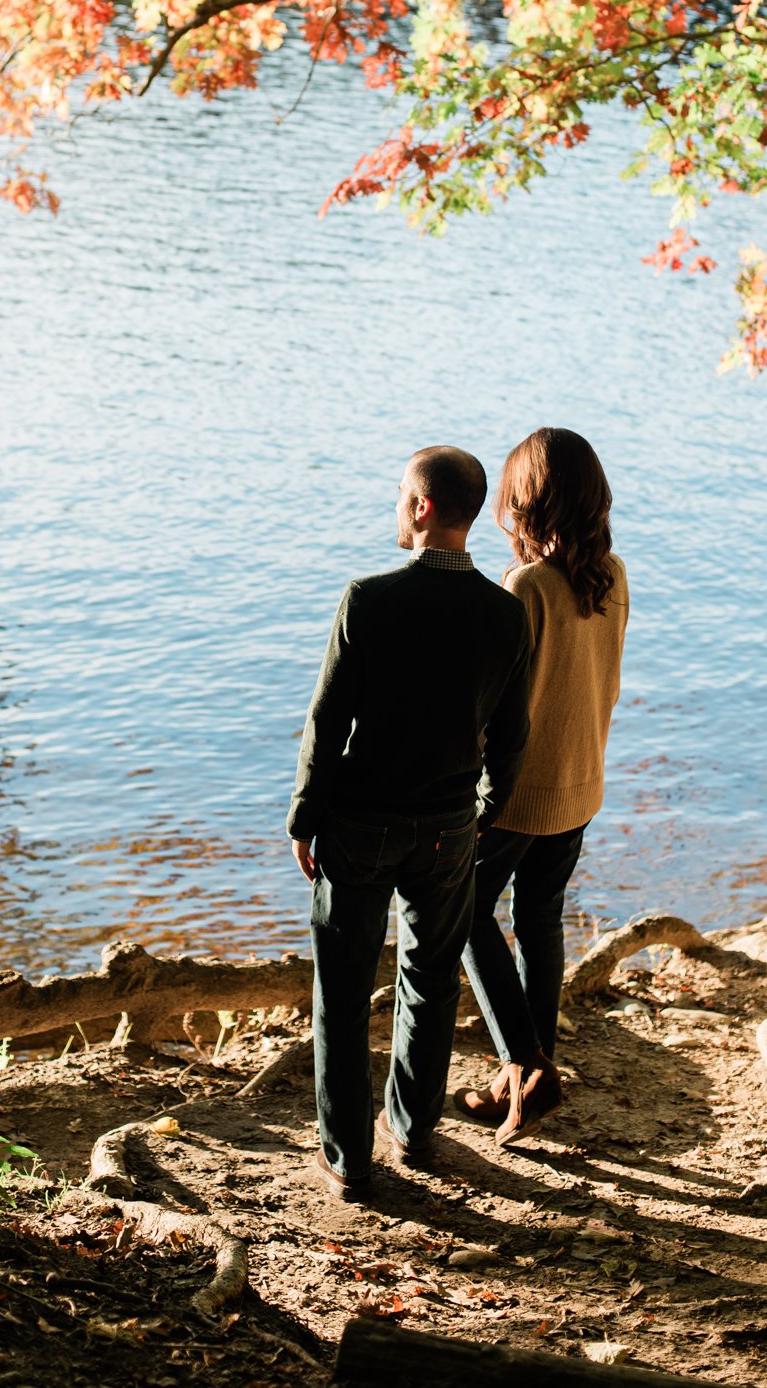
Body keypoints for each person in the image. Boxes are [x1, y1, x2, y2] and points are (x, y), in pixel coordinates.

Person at [287, 445, 532, 1202]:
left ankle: (347, 1160)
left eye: (401, 494)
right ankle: (416, 1130)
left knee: (343, 987)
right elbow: (512, 732)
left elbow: (328, 722)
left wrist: (304, 816)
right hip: (449, 828)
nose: (397, 504)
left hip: (362, 826)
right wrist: (487, 806)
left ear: (423, 508)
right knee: (429, 979)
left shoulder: (370, 599)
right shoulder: (506, 613)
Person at [456, 427, 628, 1144]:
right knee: (538, 922)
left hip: (519, 795)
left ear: (525, 504)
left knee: (462, 910)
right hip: (579, 784)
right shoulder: (611, 575)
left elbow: (494, 707)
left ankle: (525, 1062)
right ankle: (531, 1069)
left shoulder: (525, 586)